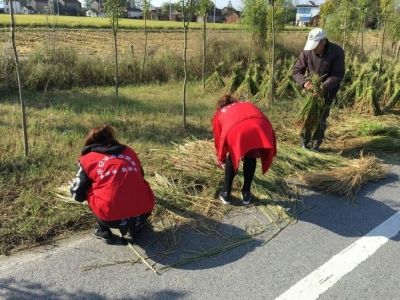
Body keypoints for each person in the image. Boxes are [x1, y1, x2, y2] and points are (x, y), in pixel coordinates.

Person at [70, 125, 155, 242]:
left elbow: (77, 194)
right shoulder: (129, 152)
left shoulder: (88, 159)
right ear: (112, 138)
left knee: (90, 189)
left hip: (111, 218)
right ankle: (135, 226)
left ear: (90, 142)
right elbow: (141, 175)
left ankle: (103, 231)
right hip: (145, 211)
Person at [212, 95, 277, 205]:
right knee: (251, 154)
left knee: (233, 155)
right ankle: (246, 193)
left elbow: (219, 140)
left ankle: (226, 193)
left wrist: (221, 159)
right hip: (262, 126)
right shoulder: (246, 104)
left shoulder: (221, 112)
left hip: (237, 128)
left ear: (221, 106)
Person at [293, 28, 345, 151]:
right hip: (310, 90)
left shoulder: (337, 52)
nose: (313, 48)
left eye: (316, 45)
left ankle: (316, 145)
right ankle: (304, 142)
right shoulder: (307, 52)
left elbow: (338, 74)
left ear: (324, 42)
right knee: (307, 115)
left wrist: (323, 87)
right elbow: (296, 71)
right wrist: (305, 83)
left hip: (328, 90)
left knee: (321, 117)